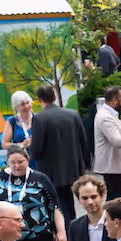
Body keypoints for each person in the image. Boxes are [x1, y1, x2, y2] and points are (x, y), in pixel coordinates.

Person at [27, 85, 91, 223]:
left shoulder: (39, 119)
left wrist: (30, 146)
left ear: (39, 100)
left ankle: (67, 237)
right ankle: (73, 232)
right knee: (69, 204)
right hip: (73, 168)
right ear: (55, 97)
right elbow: (83, 141)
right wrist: (86, 166)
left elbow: (37, 150)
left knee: (58, 206)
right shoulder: (73, 114)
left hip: (51, 171)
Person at [93, 86, 121, 204]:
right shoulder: (105, 117)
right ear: (114, 99)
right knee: (119, 202)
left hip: (114, 166)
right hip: (113, 167)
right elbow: (117, 141)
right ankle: (116, 221)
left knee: (115, 200)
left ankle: (111, 221)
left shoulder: (108, 114)